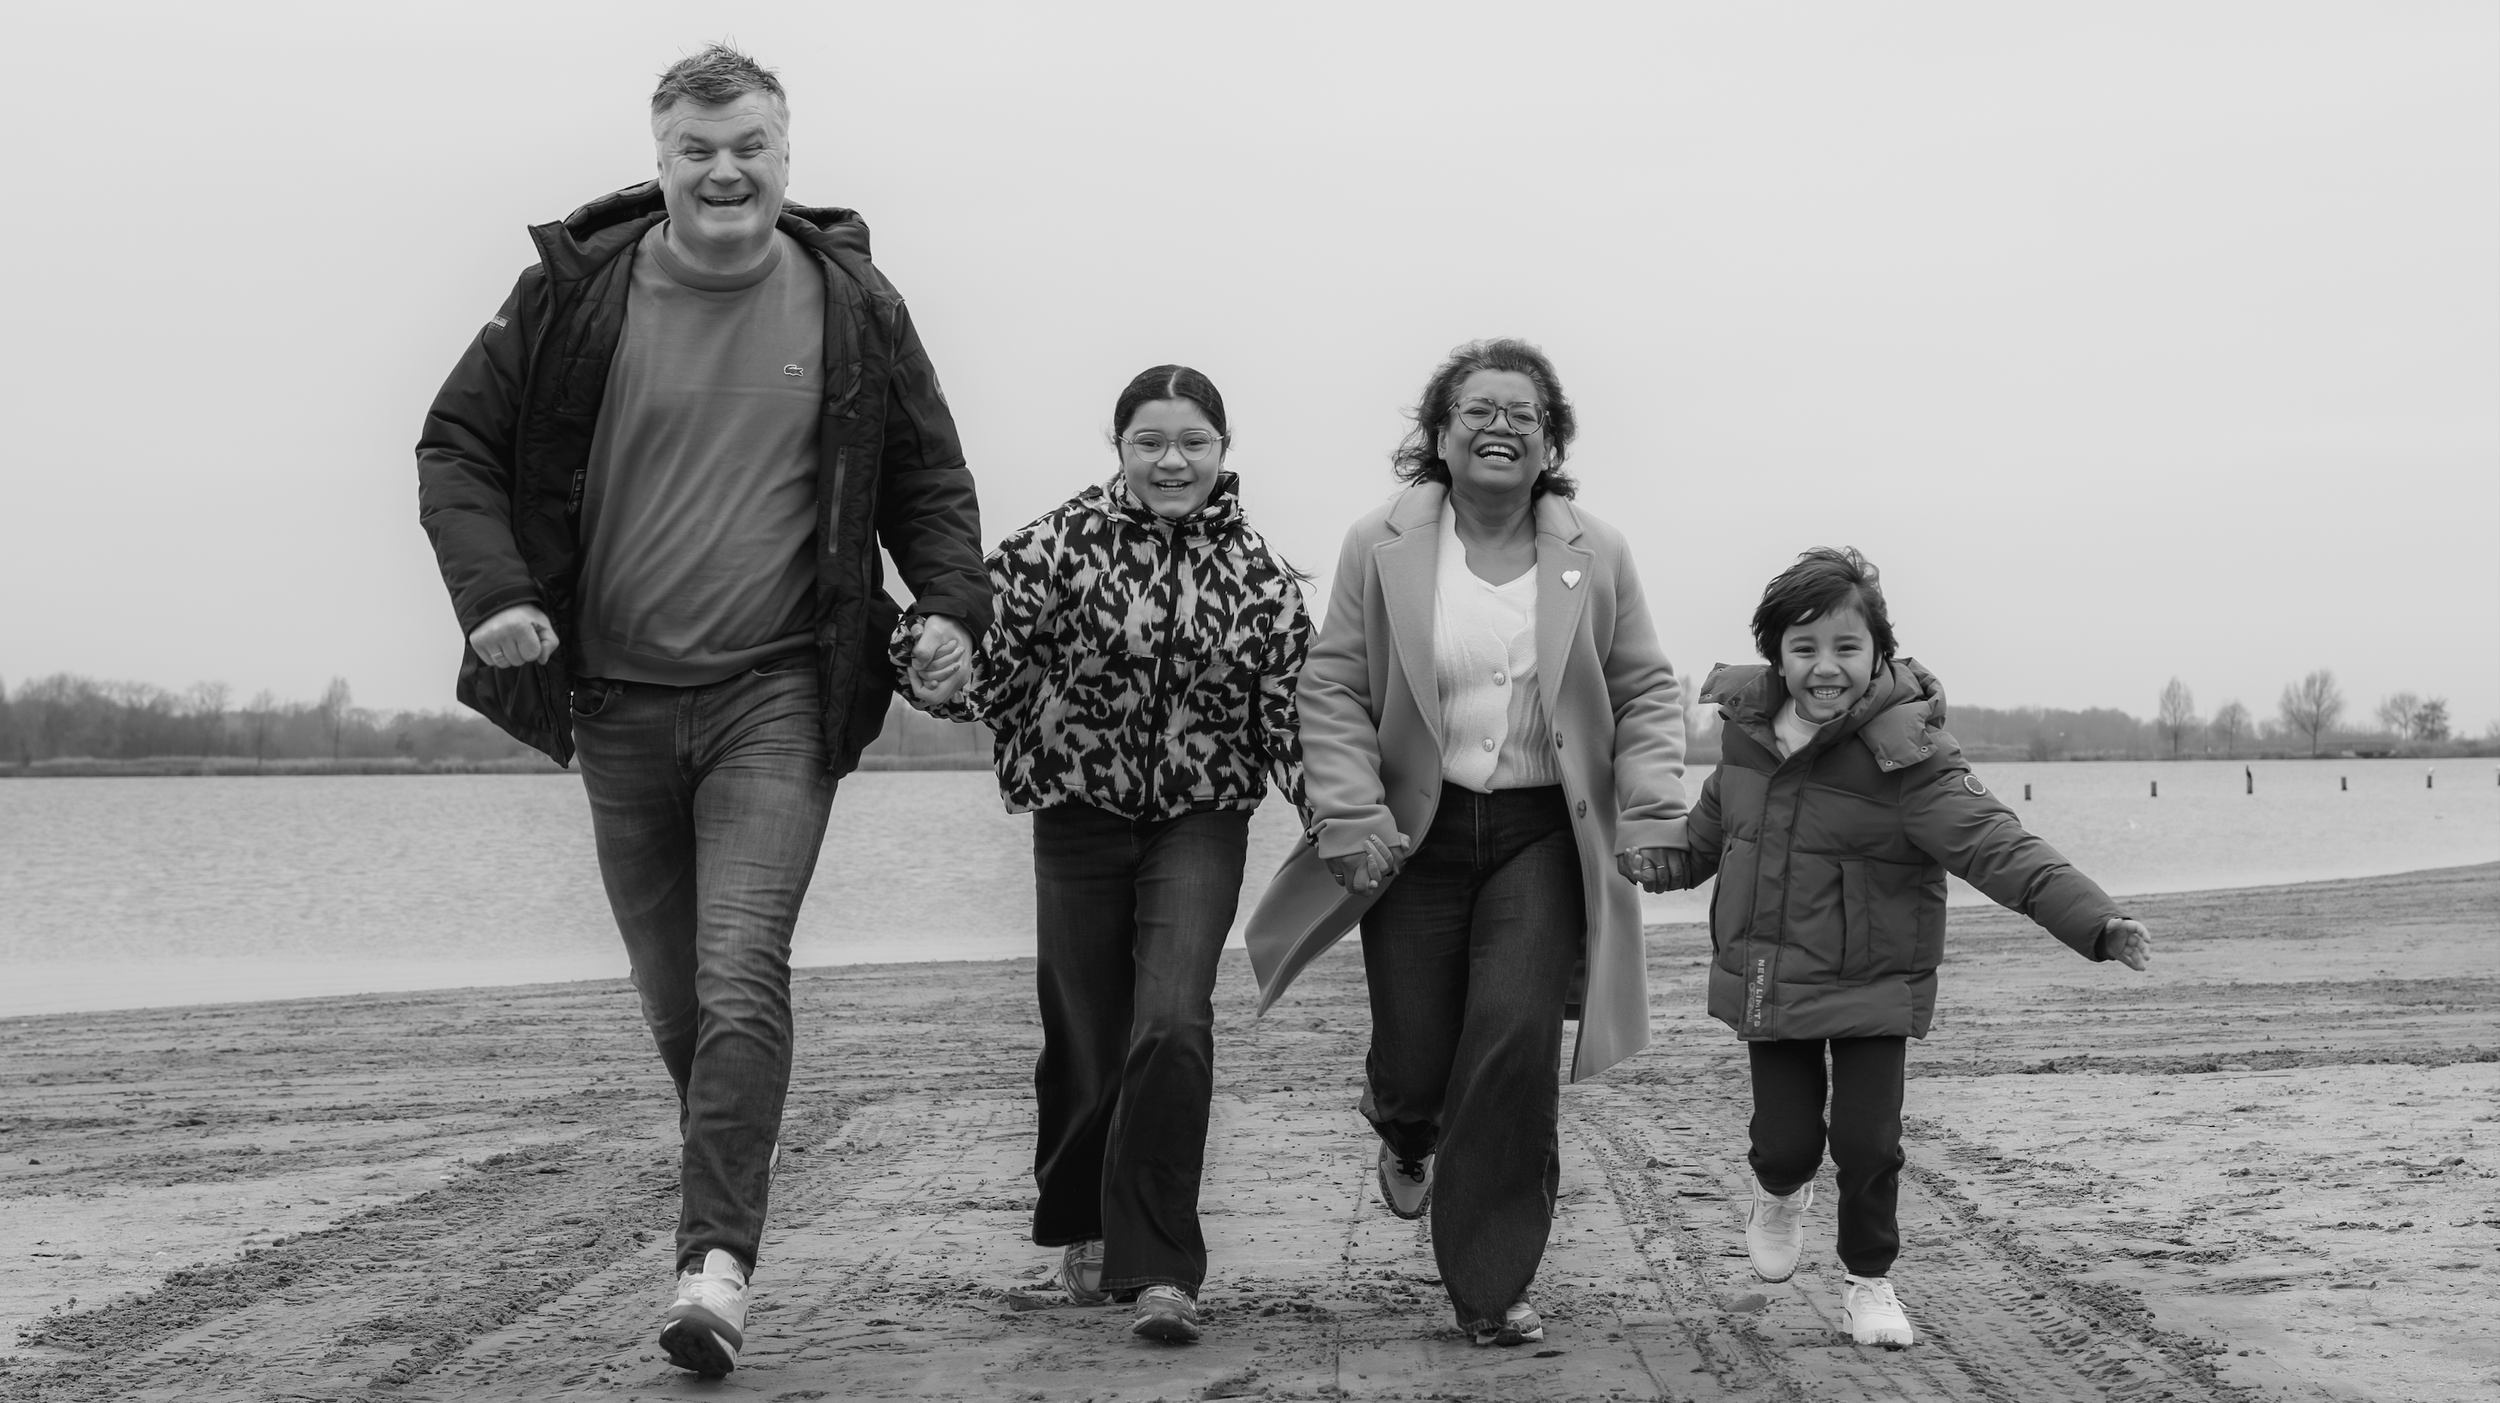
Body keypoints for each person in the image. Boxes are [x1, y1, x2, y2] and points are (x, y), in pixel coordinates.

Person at [413, 45, 989, 1378]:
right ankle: (732, 1161)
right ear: (661, 154)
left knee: (741, 971)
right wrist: (493, 590)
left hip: (778, 692)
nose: (725, 172)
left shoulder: (852, 299)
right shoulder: (575, 289)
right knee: (682, 1005)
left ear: (788, 156)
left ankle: (714, 1261)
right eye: (698, 151)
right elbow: (457, 446)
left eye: (751, 149)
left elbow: (929, 477)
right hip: (613, 696)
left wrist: (953, 605)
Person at [1244, 338, 1691, 1346]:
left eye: (1523, 413)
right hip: (1415, 826)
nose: (1500, 425)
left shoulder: (1596, 550)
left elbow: (1645, 688)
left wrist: (1654, 805)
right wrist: (1348, 813)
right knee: (1416, 1062)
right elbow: (1334, 685)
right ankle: (1401, 1125)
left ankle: (1488, 1286)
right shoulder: (1383, 540)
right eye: (1476, 409)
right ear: (1439, 433)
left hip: (1542, 829)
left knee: (1513, 1039)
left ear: (1550, 440)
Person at [900, 365, 1309, 1343]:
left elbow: (1293, 713)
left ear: (1222, 448)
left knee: (1171, 1019)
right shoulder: (1056, 546)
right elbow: (987, 671)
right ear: (1119, 447)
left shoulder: (1260, 575)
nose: (1172, 459)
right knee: (1086, 1030)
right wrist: (930, 656)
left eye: (1193, 441)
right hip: (1076, 811)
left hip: (1201, 816)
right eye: (1150, 440)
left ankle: (1162, 1264)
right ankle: (1084, 1208)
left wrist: (1340, 814)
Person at [1667, 547, 2154, 1350]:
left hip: (1875, 982)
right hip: (1773, 979)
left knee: (1870, 1144)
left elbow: (2001, 847)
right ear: (1776, 656)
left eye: (1846, 648)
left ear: (1879, 652)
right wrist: (1647, 858)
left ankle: (1869, 1281)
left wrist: (2096, 923)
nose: (1826, 667)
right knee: (1786, 1140)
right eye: (1804, 647)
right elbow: (1701, 843)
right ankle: (1779, 1189)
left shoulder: (1910, 754)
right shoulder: (1747, 745)